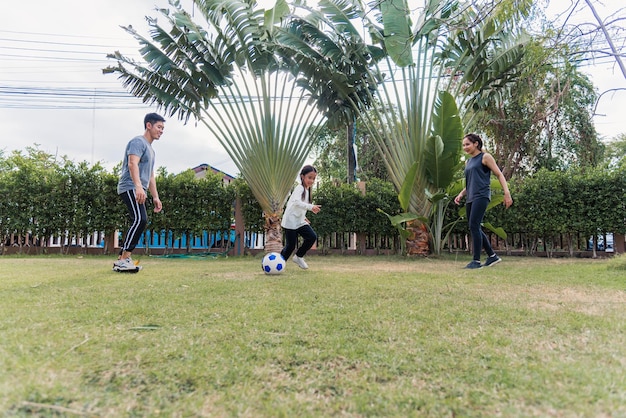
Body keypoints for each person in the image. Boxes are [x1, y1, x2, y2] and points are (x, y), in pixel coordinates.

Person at [113, 113, 165, 272]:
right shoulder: (138, 142)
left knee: (140, 220)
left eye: (163, 128)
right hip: (129, 186)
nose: (161, 131)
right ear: (149, 125)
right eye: (159, 127)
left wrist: (155, 196)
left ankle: (122, 258)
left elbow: (150, 175)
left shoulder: (151, 150)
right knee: (140, 219)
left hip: (137, 187)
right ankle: (124, 259)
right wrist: (138, 187)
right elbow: (132, 164)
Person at [454, 133, 512, 269]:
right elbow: (471, 182)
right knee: (474, 226)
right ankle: (492, 256)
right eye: (463, 145)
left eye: (467, 144)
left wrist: (507, 193)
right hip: (471, 197)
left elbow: (499, 174)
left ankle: (476, 261)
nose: (465, 147)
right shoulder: (468, 162)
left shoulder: (485, 157)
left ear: (476, 144)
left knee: (474, 225)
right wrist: (461, 194)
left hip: (481, 195)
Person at [280, 165, 321, 269]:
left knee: (312, 237)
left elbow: (299, 206)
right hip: (290, 221)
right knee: (290, 246)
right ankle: (278, 263)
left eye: (313, 178)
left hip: (299, 221)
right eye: (309, 177)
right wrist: (311, 207)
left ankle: (298, 256)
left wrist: (303, 217)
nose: (311, 181)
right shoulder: (300, 188)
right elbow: (297, 202)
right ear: (302, 177)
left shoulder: (307, 191)